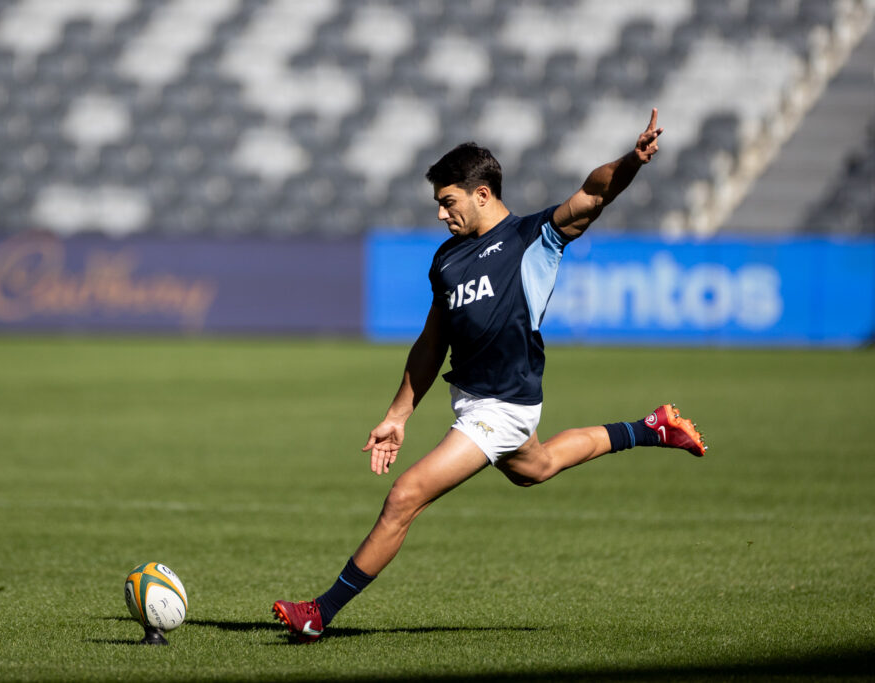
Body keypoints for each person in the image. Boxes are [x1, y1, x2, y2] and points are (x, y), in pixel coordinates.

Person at [273, 109, 705, 643]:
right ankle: (652, 428)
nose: (440, 213)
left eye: (448, 201)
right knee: (536, 467)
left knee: (405, 496)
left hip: (505, 404)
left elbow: (594, 194)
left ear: (482, 194)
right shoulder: (447, 260)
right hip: (472, 398)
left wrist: (631, 161)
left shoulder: (534, 237)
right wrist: (398, 415)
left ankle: (319, 613)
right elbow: (432, 342)